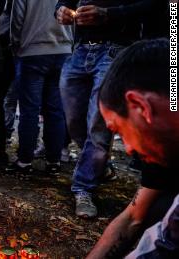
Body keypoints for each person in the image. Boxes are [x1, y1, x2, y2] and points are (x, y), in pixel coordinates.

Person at [91, 38, 179, 258]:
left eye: (119, 130)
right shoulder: (162, 143)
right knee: (158, 206)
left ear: (141, 106)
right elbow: (134, 217)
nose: (128, 149)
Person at [55, 0, 141, 218]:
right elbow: (63, 2)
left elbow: (159, 7)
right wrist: (61, 11)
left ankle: (83, 187)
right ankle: (99, 165)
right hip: (81, 49)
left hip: (116, 48)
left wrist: (109, 13)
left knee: (98, 122)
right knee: (73, 120)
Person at [5, 0, 72, 175]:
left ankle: (25, 162)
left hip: (31, 51)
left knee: (29, 111)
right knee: (56, 111)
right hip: (63, 51)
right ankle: (54, 161)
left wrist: (15, 44)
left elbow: (16, 19)